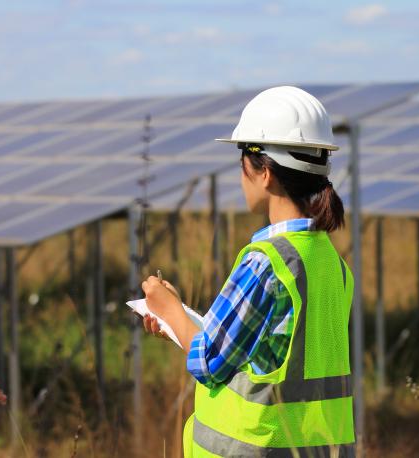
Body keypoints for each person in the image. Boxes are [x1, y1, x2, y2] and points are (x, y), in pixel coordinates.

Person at [141, 86, 355, 457]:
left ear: (266, 173)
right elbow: (268, 357)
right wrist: (178, 325)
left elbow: (210, 361)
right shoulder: (332, 264)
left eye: (243, 161)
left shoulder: (265, 262)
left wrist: (168, 308)